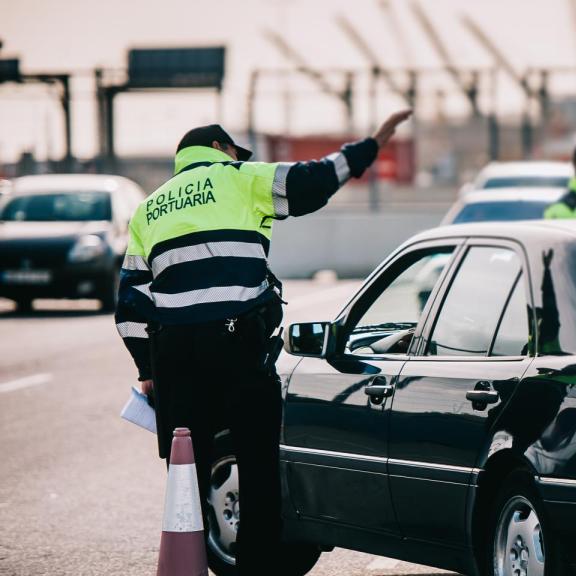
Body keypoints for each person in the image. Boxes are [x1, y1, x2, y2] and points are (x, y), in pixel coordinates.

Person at [114, 110, 412, 573]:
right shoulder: (237, 178)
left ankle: (188, 561)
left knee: (185, 473)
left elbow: (130, 302)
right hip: (237, 350)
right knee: (257, 469)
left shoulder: (148, 208)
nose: (237, 157)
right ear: (219, 150)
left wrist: (147, 370)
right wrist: (369, 146)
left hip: (175, 358)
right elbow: (313, 180)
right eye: (234, 151)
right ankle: (254, 568)